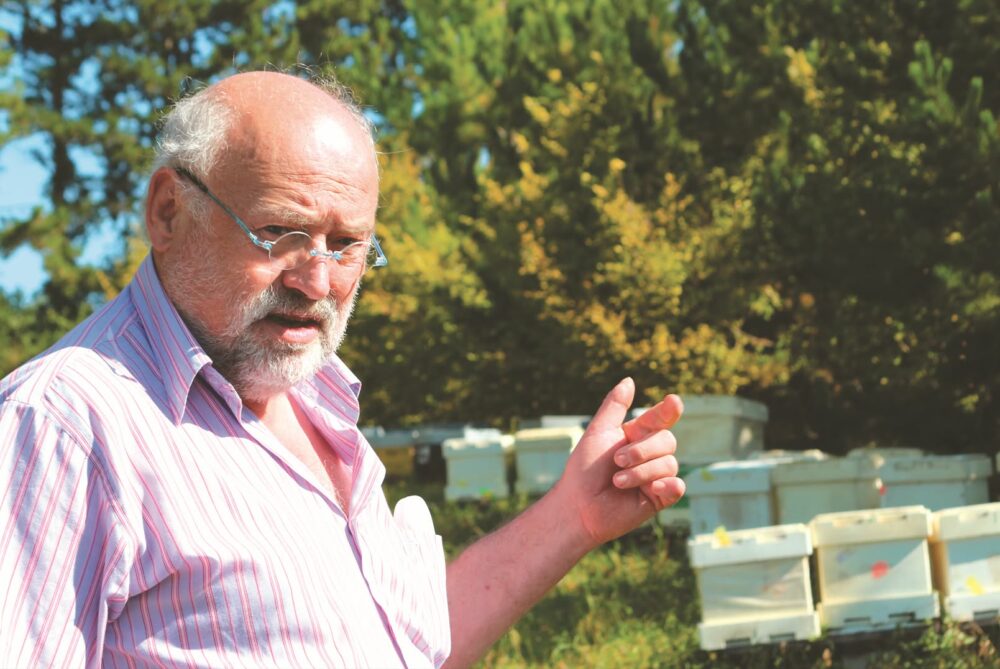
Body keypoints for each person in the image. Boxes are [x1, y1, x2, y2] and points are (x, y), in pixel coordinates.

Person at [0, 71, 685, 668]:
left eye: (348, 243)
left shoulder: (317, 401)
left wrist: (574, 515)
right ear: (169, 212)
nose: (318, 279)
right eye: (280, 233)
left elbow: (408, 644)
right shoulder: (66, 423)